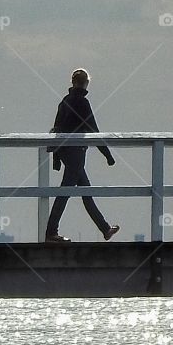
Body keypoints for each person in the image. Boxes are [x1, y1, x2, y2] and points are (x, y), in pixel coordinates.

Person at [45, 68, 119, 244]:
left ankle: (105, 229)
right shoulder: (82, 103)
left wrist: (57, 158)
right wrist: (108, 155)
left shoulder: (64, 102)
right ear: (86, 83)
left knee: (86, 191)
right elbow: (93, 129)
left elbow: (57, 131)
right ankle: (51, 233)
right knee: (66, 191)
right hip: (76, 152)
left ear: (72, 82)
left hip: (65, 152)